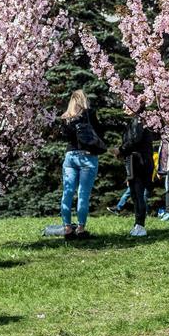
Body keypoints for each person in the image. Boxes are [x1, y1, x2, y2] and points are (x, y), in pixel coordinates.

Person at [59, 90, 103, 240]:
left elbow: (65, 137)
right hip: (87, 157)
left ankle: (67, 228)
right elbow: (99, 133)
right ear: (84, 100)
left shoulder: (66, 117)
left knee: (68, 192)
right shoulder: (90, 114)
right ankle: (80, 228)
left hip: (70, 157)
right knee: (83, 194)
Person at [116, 113, 155, 237]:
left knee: (138, 194)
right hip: (137, 161)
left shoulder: (138, 120)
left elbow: (135, 139)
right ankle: (137, 224)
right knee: (135, 194)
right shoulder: (136, 121)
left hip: (139, 162)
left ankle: (140, 225)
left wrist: (121, 150)